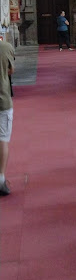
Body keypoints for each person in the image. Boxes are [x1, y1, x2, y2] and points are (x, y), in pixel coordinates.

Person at [0, 40, 15, 196]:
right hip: (2, 100)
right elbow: (11, 70)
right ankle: (0, 179)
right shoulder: (5, 47)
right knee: (2, 139)